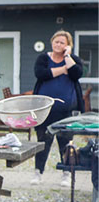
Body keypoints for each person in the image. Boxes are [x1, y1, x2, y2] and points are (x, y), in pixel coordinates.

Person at [31, 30, 86, 186]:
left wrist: (67, 56)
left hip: (66, 111)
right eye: (56, 41)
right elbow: (41, 74)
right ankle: (38, 173)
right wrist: (62, 70)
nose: (58, 44)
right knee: (43, 142)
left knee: (66, 143)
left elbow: (76, 74)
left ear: (68, 45)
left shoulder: (73, 59)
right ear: (52, 42)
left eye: (62, 42)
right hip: (45, 110)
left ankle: (66, 174)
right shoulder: (43, 58)